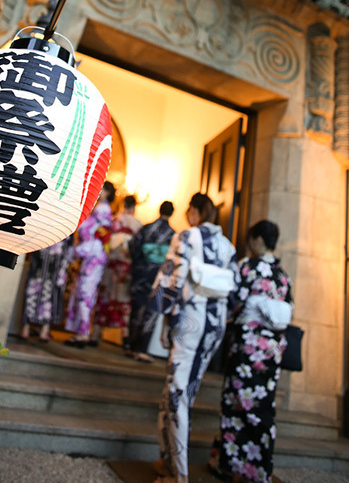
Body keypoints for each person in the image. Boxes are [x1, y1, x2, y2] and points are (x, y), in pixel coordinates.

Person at [144, 192, 239, 483]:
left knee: (177, 394)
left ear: (196, 211)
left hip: (189, 322)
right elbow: (234, 291)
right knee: (184, 392)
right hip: (215, 325)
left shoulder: (187, 236)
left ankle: (180, 475)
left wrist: (162, 322)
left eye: (189, 210)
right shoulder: (227, 246)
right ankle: (168, 460)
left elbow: (172, 276)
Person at [210, 220, 294, 483]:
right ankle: (258, 469)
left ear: (258, 239)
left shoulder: (249, 266)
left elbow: (234, 301)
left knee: (237, 403)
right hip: (271, 350)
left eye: (251, 238)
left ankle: (232, 464)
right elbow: (289, 307)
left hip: (248, 346)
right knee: (263, 406)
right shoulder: (282, 275)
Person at [64, 180, 116, 347]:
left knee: (85, 294)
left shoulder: (102, 209)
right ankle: (81, 332)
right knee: (85, 293)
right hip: (94, 256)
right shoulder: (102, 210)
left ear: (107, 193)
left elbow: (89, 230)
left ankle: (83, 333)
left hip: (93, 255)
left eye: (102, 189)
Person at [93, 194, 142, 352]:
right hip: (126, 266)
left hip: (110, 263)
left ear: (123, 205)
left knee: (105, 297)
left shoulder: (114, 220)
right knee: (123, 301)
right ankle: (126, 338)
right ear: (134, 207)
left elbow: (104, 239)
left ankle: (96, 333)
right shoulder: (138, 225)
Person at [128, 200, 175, 362]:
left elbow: (134, 246)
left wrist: (138, 263)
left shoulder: (147, 228)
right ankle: (142, 349)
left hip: (142, 272)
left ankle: (130, 345)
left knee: (137, 308)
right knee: (151, 311)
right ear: (172, 213)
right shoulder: (172, 234)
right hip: (158, 275)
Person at [20, 239, 70, 343]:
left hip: (45, 245)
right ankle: (43, 330)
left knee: (34, 290)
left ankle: (27, 328)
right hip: (56, 252)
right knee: (49, 292)